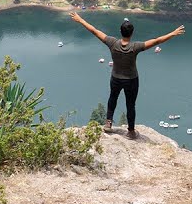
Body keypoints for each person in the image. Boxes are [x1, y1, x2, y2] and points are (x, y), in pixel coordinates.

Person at [69, 11, 185, 139]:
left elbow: (94, 31)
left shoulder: (112, 42)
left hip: (116, 78)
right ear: (132, 33)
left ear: (120, 31)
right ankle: (130, 131)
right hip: (131, 80)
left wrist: (80, 19)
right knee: (130, 105)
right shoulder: (135, 47)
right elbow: (157, 41)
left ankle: (108, 123)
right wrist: (173, 33)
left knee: (112, 99)